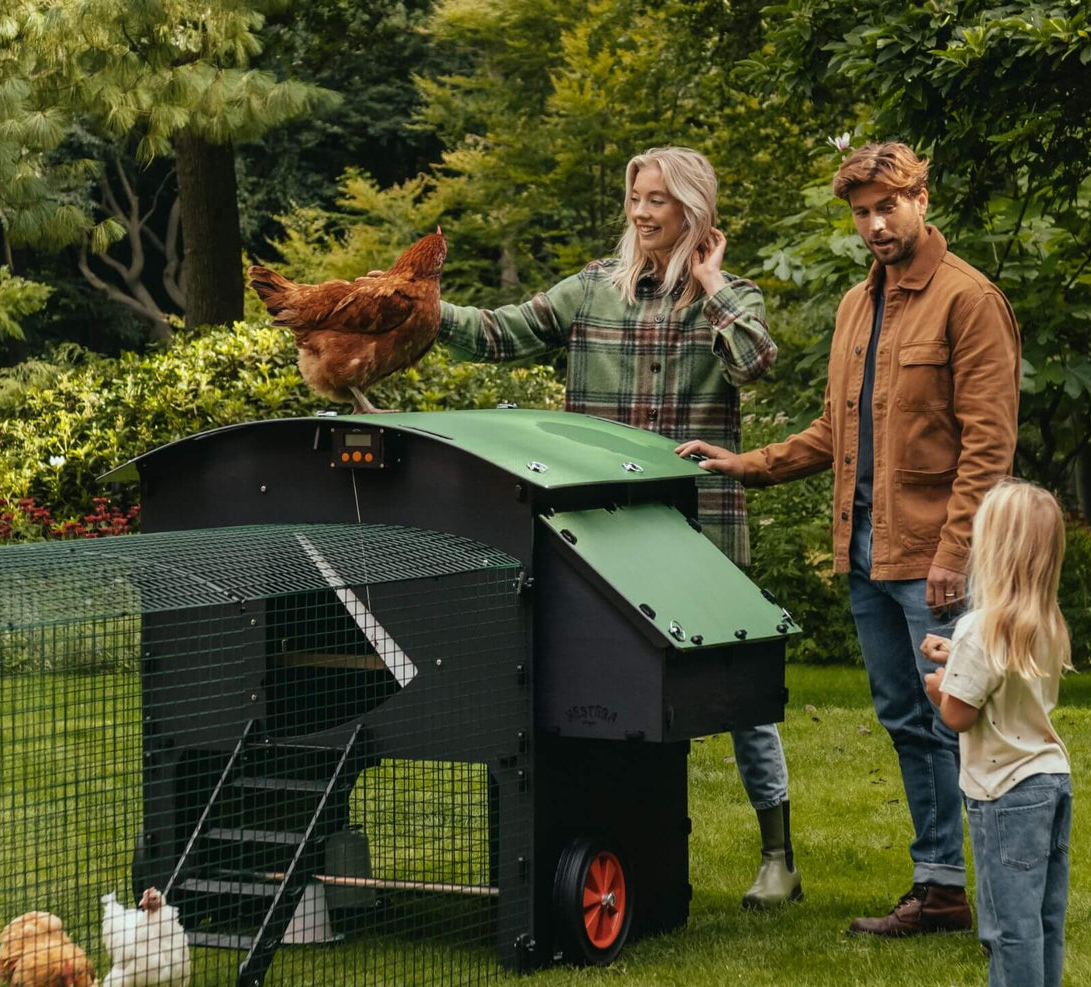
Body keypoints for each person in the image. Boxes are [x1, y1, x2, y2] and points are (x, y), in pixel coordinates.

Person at [437, 145, 802, 909]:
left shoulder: (730, 296)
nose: (642, 212)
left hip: (699, 523)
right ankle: (624, 841)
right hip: (600, 527)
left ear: (693, 209)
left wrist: (707, 285)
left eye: (659, 200)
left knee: (739, 690)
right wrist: (413, 310)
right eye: (636, 198)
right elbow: (500, 333)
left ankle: (779, 856)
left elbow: (755, 362)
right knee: (599, 682)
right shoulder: (591, 291)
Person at [680, 141, 1021, 935]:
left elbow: (988, 445)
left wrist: (954, 554)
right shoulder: (855, 306)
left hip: (938, 555)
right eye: (861, 212)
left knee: (966, 721)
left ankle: (1005, 894)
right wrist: (748, 465)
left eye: (886, 206)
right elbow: (838, 430)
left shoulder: (969, 301)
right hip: (867, 550)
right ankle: (939, 887)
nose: (873, 224)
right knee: (906, 718)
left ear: (921, 199)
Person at [922, 481, 1072, 987]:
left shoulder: (978, 630)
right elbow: (1002, 677)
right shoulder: (1044, 621)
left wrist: (938, 683)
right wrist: (953, 659)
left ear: (992, 550)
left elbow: (958, 714)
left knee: (1007, 923)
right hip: (1051, 780)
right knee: (1042, 914)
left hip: (1004, 794)